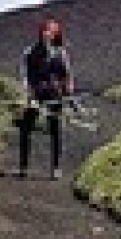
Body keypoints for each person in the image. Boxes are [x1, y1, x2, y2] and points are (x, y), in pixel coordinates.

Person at [18, 17, 74, 179]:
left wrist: (68, 94)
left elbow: (66, 75)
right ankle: (23, 166)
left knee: (55, 129)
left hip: (54, 94)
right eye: (44, 30)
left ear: (55, 34)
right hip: (36, 93)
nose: (46, 33)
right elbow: (25, 76)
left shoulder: (60, 53)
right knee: (26, 127)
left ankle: (56, 168)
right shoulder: (31, 52)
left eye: (50, 31)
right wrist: (29, 94)